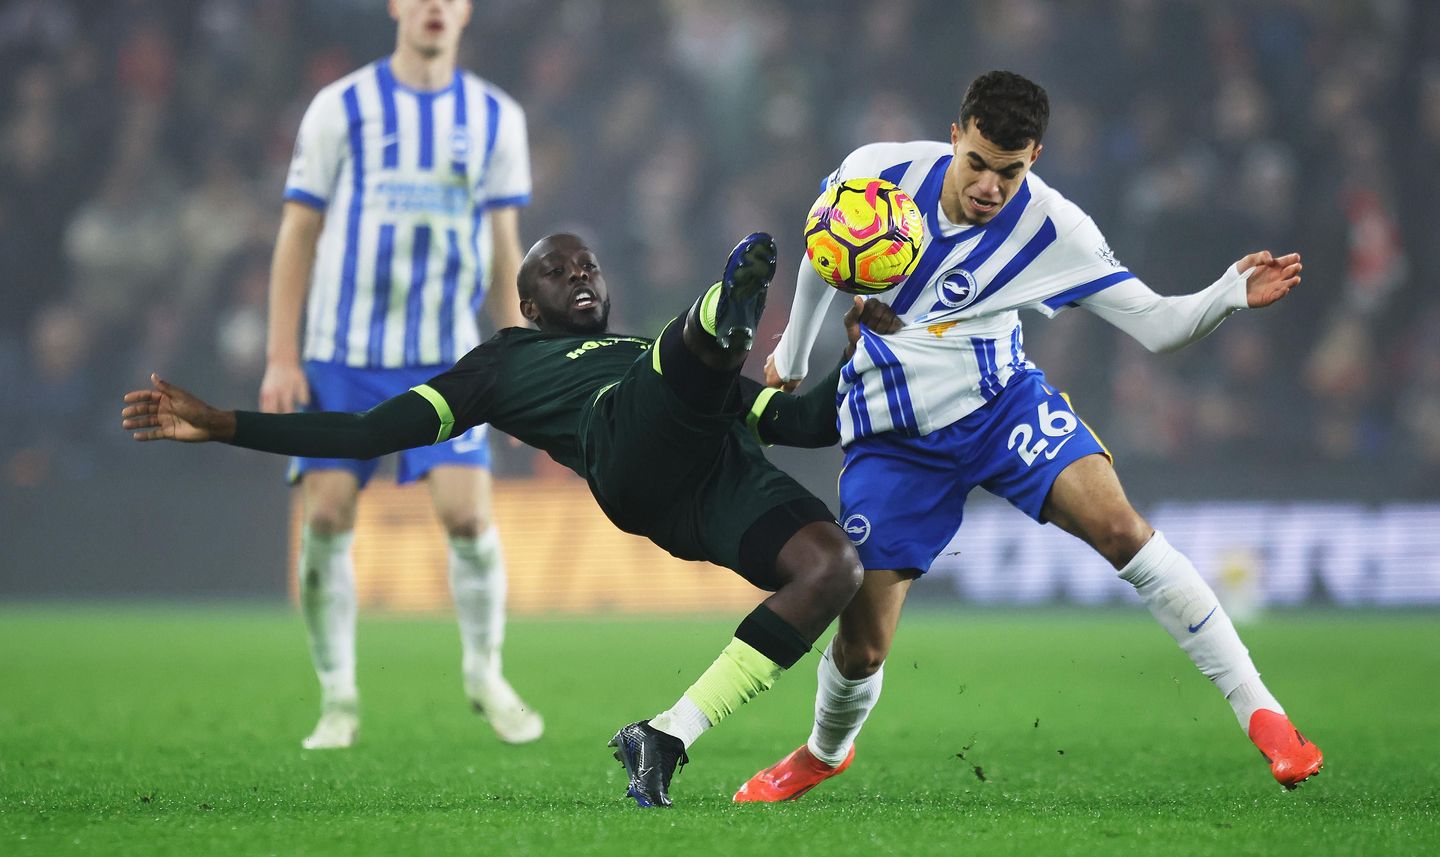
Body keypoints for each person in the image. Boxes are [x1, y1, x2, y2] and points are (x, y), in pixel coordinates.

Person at [123, 232, 893, 808]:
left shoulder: (646, 351)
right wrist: (225, 424)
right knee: (682, 359)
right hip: (629, 456)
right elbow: (365, 432)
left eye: (587, 264)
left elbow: (803, 423)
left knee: (833, 568)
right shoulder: (504, 361)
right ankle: (728, 310)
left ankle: (665, 734)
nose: (579, 273)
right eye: (557, 271)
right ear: (528, 306)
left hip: (722, 481)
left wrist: (863, 355)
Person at [735, 70, 1323, 802]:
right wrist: (793, 354)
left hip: (1003, 407)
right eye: (977, 163)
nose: (989, 186)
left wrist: (1227, 295)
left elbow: (1157, 324)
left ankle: (1264, 713)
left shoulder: (1055, 231)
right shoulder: (877, 173)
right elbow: (823, 252)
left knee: (1122, 528)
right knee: (863, 649)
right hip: (895, 436)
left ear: (1035, 157)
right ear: (956, 135)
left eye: (1009, 172)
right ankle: (826, 751)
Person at [261, 0, 538, 748]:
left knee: (469, 518)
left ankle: (485, 672)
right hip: (340, 354)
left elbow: (504, 249)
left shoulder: (496, 118)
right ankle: (338, 698)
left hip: (443, 356)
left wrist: (520, 368)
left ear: (467, 10)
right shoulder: (340, 107)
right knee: (326, 517)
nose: (434, 7)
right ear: (395, 6)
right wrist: (282, 355)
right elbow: (298, 232)